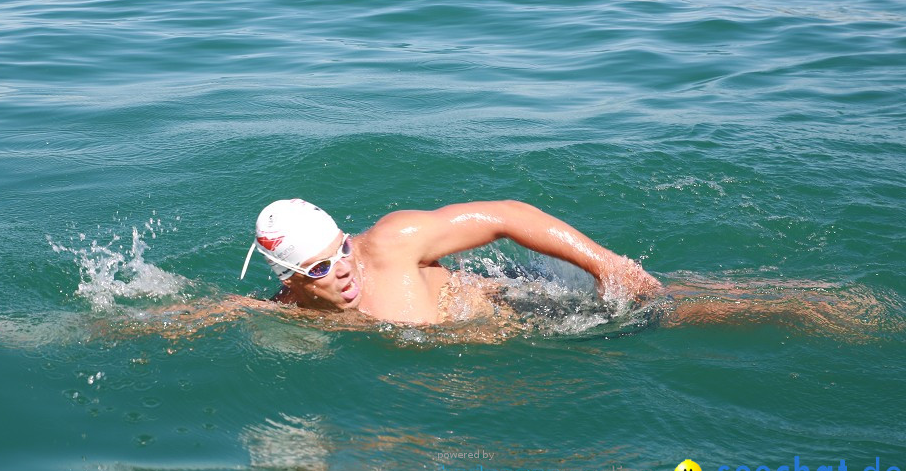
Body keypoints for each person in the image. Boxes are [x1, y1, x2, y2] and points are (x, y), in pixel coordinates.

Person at [240, 199, 662, 325]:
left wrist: (609, 267)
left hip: (527, 303)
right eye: (320, 268)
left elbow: (507, 215)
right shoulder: (290, 312)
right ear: (290, 281)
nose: (344, 268)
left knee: (679, 307)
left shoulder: (393, 241)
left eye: (343, 249)